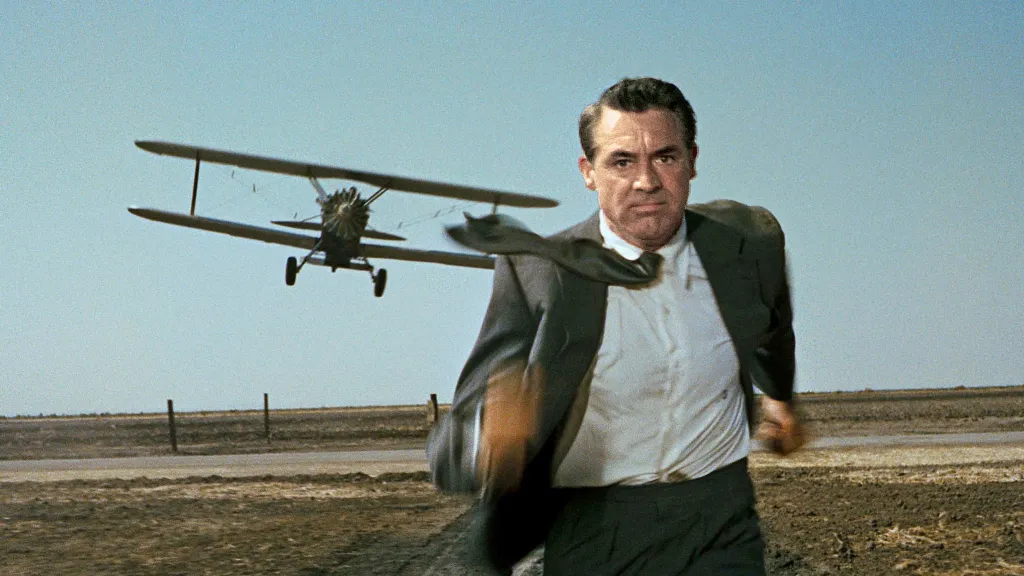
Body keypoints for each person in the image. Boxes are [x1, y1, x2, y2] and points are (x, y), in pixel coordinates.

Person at [428, 77, 803, 575]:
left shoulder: (748, 240)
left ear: (692, 160)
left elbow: (772, 322)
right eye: (622, 162)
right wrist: (492, 441)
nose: (646, 181)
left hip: (721, 518)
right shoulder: (538, 272)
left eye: (665, 157)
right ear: (588, 172)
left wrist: (778, 397)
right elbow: (451, 445)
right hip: (595, 530)